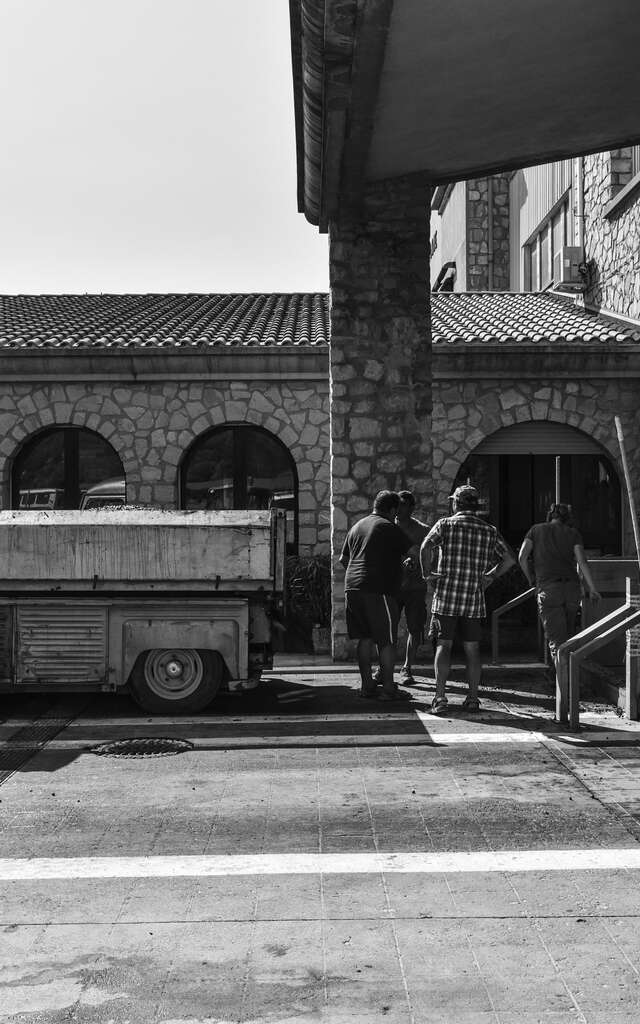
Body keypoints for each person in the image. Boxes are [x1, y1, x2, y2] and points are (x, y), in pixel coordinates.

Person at [420, 485, 515, 714]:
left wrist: (427, 575)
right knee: (472, 649)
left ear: (456, 504)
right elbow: (510, 559)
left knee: (443, 645)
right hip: (473, 597)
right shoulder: (489, 530)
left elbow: (425, 547)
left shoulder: (445, 525)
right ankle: (472, 698)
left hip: (446, 596)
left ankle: (440, 697)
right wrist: (490, 576)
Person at [339, 490, 414, 702]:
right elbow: (413, 552)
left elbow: (343, 560)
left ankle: (367, 686)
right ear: (391, 510)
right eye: (396, 512)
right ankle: (389, 688)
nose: (397, 516)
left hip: (352, 588)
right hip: (377, 590)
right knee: (386, 641)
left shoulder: (357, 526)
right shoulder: (388, 526)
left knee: (365, 638)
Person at [518, 502, 601, 674]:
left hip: (548, 589)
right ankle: (566, 680)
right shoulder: (573, 533)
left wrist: (531, 580)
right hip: (571, 589)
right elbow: (582, 561)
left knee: (557, 642)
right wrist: (592, 588)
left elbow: (522, 557)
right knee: (568, 637)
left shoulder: (535, 530)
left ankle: (565, 692)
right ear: (568, 518)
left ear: (550, 515)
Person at [395, 490, 430, 685]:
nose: (400, 510)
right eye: (397, 505)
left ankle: (407, 667)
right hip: (392, 586)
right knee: (387, 628)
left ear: (411, 507)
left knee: (414, 628)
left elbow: (429, 556)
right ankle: (383, 667)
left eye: (404, 505)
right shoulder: (388, 527)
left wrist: (418, 564)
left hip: (415, 587)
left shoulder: (423, 530)